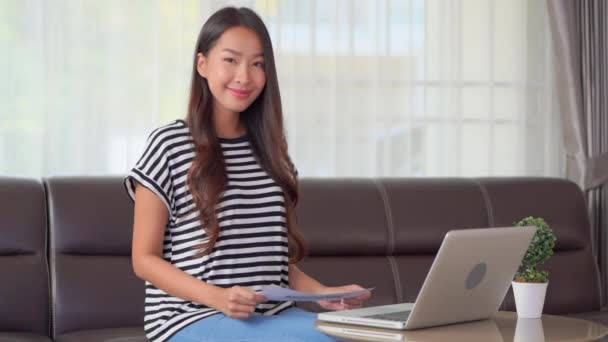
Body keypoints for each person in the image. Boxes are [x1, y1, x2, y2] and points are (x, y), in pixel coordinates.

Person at [124, 6, 371, 342]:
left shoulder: (271, 152)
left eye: (257, 64)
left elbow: (270, 262)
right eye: (231, 60)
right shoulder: (168, 145)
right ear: (202, 65)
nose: (244, 76)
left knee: (359, 336)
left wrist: (322, 294)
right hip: (191, 318)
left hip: (273, 317)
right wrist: (218, 297)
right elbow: (144, 258)